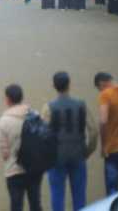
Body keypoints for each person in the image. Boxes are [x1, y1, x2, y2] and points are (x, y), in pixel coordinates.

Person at [41, 72, 98, 211]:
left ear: (53, 86)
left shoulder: (48, 107)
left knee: (57, 197)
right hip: (78, 154)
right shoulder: (81, 105)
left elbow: (42, 135)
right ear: (69, 84)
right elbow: (93, 131)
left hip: (56, 157)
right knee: (79, 197)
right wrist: (88, 151)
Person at [0, 84, 42, 211]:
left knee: (16, 206)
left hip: (14, 170)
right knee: (36, 204)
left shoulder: (4, 121)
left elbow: (4, 153)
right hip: (34, 169)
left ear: (8, 99)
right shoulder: (35, 115)